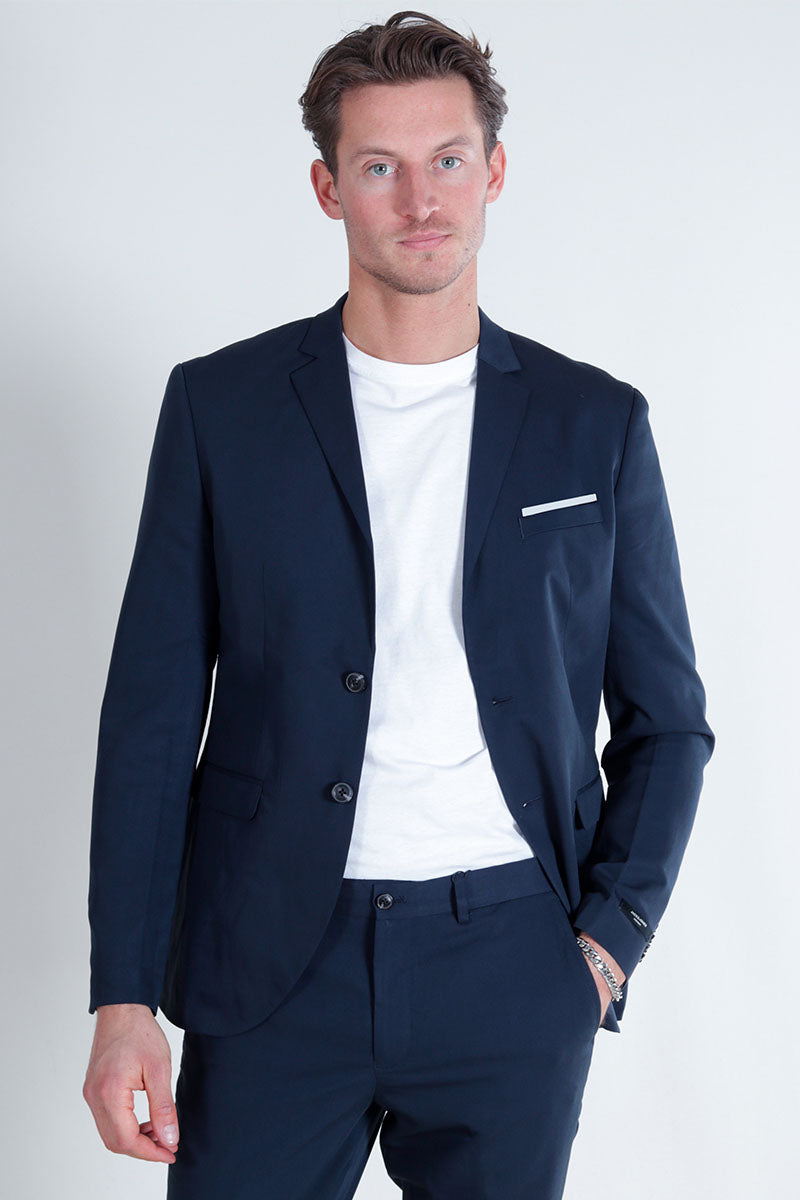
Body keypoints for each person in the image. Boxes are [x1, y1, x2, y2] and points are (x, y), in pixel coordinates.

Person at [82, 11, 715, 1198]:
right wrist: (122, 999)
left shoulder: (593, 423)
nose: (420, 201)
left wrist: (602, 947)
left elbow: (668, 723)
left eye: (447, 160)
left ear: (494, 171)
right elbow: (152, 719)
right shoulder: (222, 409)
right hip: (272, 962)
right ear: (327, 188)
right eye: (379, 167)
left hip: (514, 962)